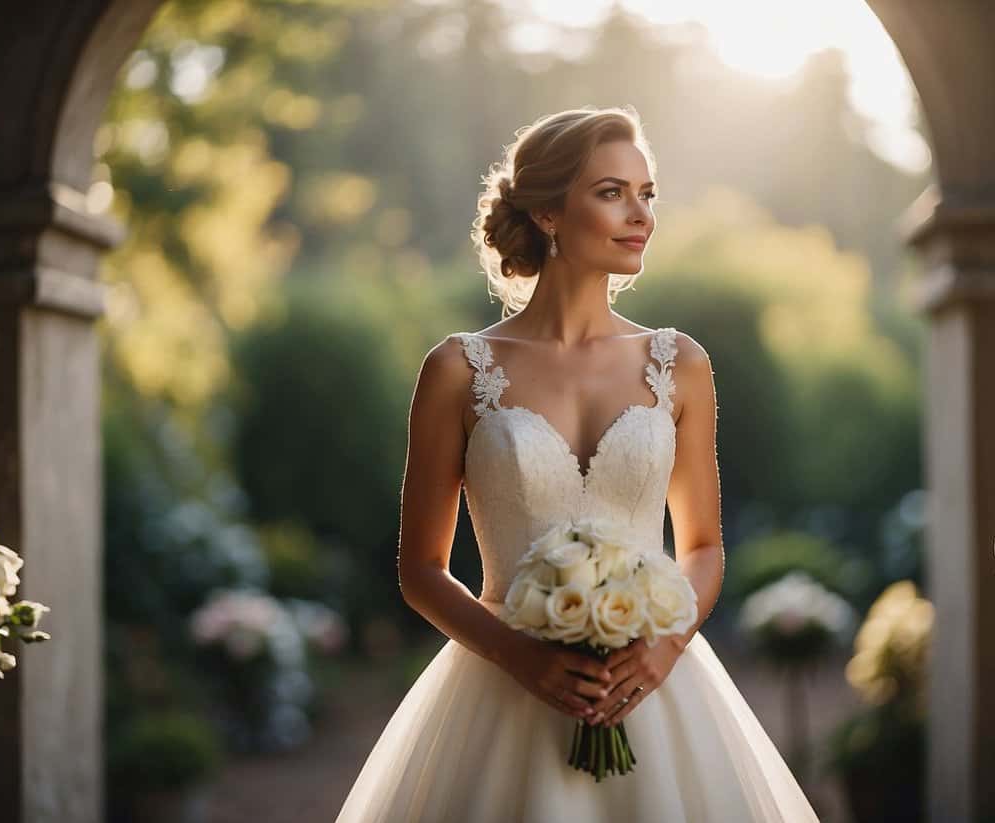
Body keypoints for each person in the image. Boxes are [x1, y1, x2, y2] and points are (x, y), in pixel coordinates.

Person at [334, 106, 821, 822]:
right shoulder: (456, 370)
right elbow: (420, 568)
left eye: (647, 194)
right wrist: (519, 656)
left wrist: (663, 646)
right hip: (505, 688)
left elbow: (703, 546)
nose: (640, 214)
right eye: (611, 191)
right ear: (548, 213)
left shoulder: (679, 364)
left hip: (655, 685)